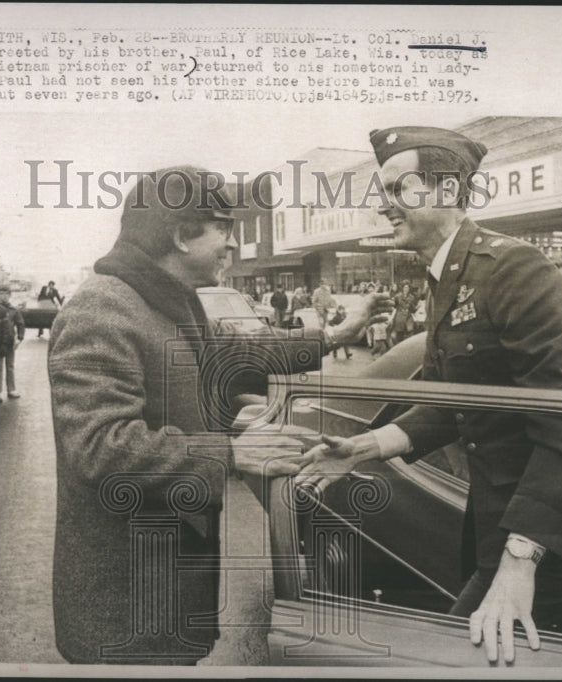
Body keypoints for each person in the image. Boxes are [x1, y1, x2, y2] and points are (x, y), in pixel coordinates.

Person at [298, 126, 562, 664]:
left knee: (456, 656)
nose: (384, 207)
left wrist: (520, 564)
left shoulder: (514, 268)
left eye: (398, 189)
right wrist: (363, 447)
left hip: (557, 532)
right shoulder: (449, 274)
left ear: (447, 191)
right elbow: (451, 396)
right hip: (507, 520)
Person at [48, 166, 384, 665]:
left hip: (161, 578)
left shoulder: (163, 300)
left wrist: (334, 336)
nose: (231, 245)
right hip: (125, 598)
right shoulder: (101, 310)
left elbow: (236, 352)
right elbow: (99, 447)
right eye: (223, 229)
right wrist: (230, 450)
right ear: (182, 235)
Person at [0, 285, 25, 399]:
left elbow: (20, 324)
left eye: (6, 294)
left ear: (10, 295)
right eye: (1, 293)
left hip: (9, 341)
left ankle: (11, 389)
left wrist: (19, 338)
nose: (3, 296)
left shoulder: (13, 310)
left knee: (10, 366)